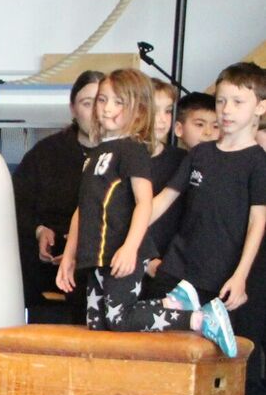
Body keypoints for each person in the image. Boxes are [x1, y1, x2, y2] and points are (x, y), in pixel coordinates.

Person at [54, 69, 233, 353]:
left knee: (119, 318)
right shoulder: (95, 154)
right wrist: (69, 255)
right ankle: (171, 304)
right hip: (97, 256)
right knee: (97, 323)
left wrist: (131, 248)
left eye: (118, 102)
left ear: (138, 110)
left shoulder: (132, 150)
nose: (107, 108)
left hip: (123, 252)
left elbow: (144, 202)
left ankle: (198, 319)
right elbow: (83, 208)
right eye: (102, 100)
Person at [142, 63, 266, 376]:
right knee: (160, 348)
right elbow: (163, 200)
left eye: (238, 102)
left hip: (222, 276)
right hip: (179, 268)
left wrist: (241, 276)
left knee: (220, 362)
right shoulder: (200, 154)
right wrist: (130, 234)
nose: (227, 110)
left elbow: (258, 222)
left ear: (260, 107)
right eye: (221, 101)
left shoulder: (258, 162)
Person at [13, 70, 104, 310]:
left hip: (98, 255)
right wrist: (38, 230)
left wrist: (79, 251)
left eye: (102, 102)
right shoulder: (46, 153)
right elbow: (17, 202)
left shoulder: (123, 155)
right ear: (73, 108)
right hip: (47, 258)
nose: (96, 112)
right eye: (87, 103)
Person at [145, 78, 188, 261]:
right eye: (154, 111)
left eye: (168, 111)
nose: (162, 119)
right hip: (129, 260)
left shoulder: (182, 159)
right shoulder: (121, 158)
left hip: (169, 260)